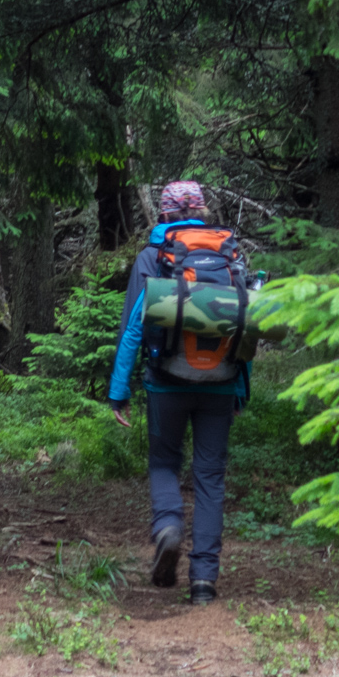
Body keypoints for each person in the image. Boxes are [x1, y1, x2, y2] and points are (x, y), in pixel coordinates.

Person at [107, 181, 250, 604]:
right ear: (202, 210)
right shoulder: (231, 254)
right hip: (221, 384)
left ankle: (168, 526)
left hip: (165, 381)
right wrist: (241, 387)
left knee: (164, 462)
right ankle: (204, 581)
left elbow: (133, 327)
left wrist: (119, 392)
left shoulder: (154, 256)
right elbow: (246, 326)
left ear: (165, 213)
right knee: (210, 478)